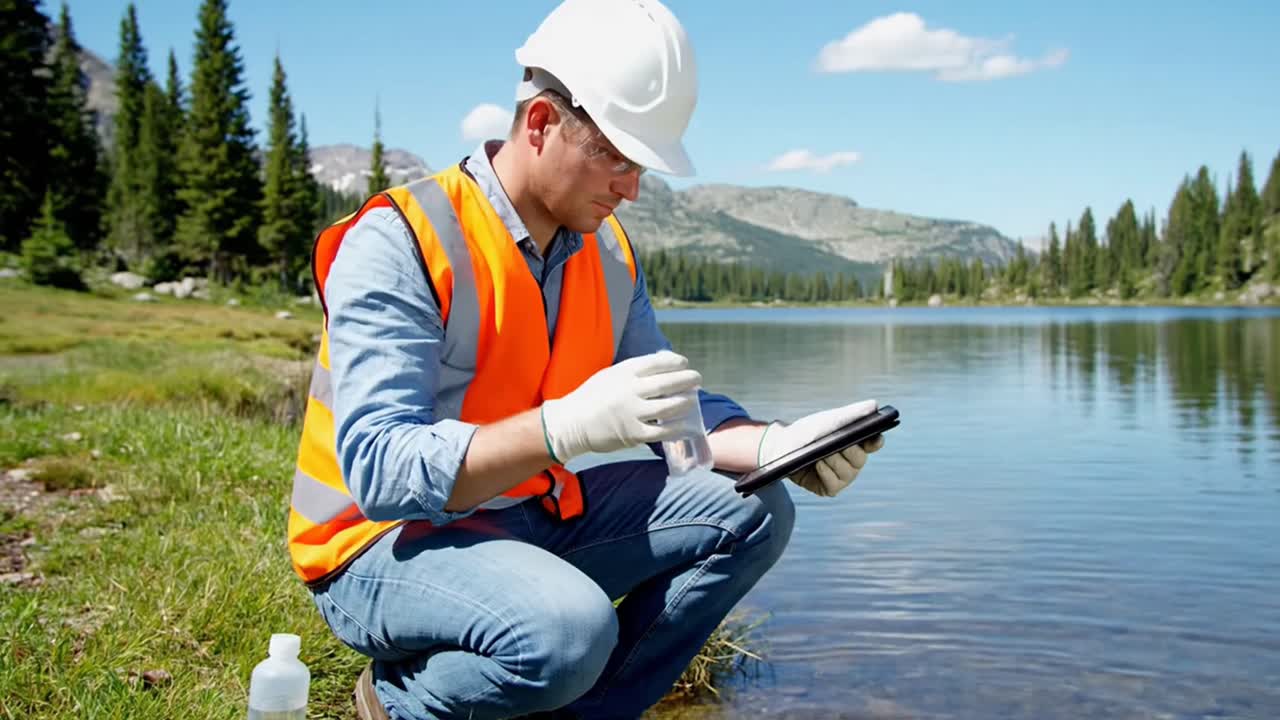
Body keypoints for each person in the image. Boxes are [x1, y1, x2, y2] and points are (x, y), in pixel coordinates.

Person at [285, 1, 886, 717]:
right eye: (619, 157)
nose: (632, 188)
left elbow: (672, 410)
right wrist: (561, 430)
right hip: (375, 548)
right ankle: (402, 702)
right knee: (570, 630)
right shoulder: (399, 238)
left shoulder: (608, 253)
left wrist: (780, 443)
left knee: (754, 509)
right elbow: (381, 470)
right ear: (541, 124)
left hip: (524, 513)